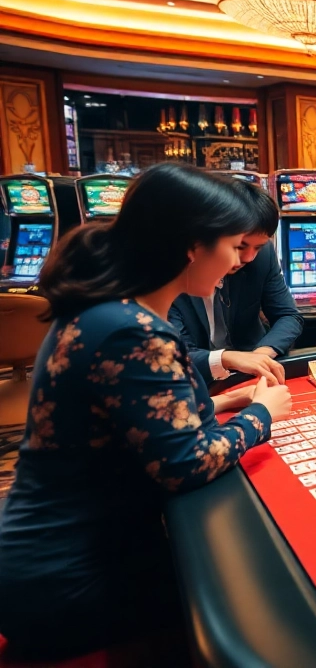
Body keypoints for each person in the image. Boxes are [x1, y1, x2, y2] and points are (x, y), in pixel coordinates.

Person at [0, 163, 292, 661]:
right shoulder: (133, 330)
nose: (237, 259)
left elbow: (130, 422)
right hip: (73, 576)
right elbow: (184, 464)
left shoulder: (106, 306)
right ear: (192, 246)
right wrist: (261, 414)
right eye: (232, 243)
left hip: (48, 555)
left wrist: (223, 400)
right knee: (265, 587)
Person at [168, 179, 301, 385]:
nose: (248, 257)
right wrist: (228, 359)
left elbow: (289, 316)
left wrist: (260, 356)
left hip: (251, 374)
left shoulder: (262, 256)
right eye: (240, 246)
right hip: (195, 381)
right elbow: (171, 357)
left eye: (258, 247)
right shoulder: (170, 273)